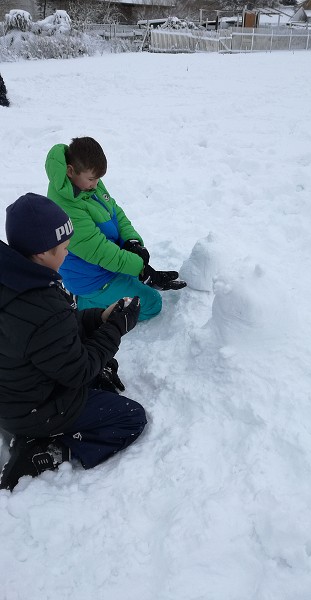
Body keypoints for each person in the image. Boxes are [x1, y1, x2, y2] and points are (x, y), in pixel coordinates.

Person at [0, 193, 146, 491]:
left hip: (15, 393)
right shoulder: (39, 303)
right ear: (41, 253)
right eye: (64, 248)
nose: (68, 254)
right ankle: (46, 450)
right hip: (34, 409)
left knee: (99, 370)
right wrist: (118, 327)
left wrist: (97, 318)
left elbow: (51, 331)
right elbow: (78, 371)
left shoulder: (16, 277)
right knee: (130, 418)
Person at [45, 137, 186, 321]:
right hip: (92, 279)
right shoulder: (66, 209)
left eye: (98, 179)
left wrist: (131, 242)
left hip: (107, 264)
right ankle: (84, 305)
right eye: (92, 179)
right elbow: (100, 251)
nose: (96, 184)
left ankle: (116, 285)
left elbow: (114, 211)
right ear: (71, 171)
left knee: (135, 281)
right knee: (152, 304)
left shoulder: (85, 184)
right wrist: (142, 270)